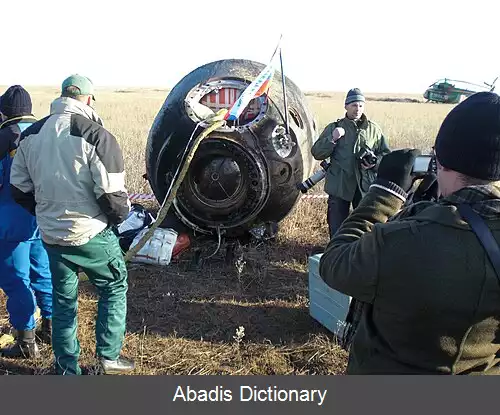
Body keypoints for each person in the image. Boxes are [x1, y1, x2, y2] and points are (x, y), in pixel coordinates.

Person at [318, 91, 500, 375]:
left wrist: (384, 193)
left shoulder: (400, 242)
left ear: (439, 161)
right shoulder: (335, 127)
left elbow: (335, 264)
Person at [10, 75, 134, 375]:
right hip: (91, 233)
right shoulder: (97, 136)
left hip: (52, 236)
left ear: (61, 95)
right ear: (89, 99)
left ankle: (67, 368)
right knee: (114, 286)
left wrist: (44, 214)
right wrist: (115, 221)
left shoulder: (31, 136)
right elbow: (113, 197)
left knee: (64, 301)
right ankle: (108, 357)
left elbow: (19, 188)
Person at [0, 85, 53, 358]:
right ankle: (52, 327)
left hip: (10, 225)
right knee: (42, 274)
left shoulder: (3, 137)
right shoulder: (44, 134)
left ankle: (25, 341)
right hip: (42, 221)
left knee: (16, 281)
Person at [311, 88, 391, 239]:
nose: (358, 108)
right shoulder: (334, 127)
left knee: (364, 228)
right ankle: (335, 255)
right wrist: (332, 139)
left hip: (364, 187)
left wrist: (374, 164)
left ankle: (359, 256)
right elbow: (316, 152)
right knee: (336, 228)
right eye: (354, 104)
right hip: (339, 185)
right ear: (346, 106)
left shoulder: (373, 129)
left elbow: (386, 155)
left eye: (361, 105)